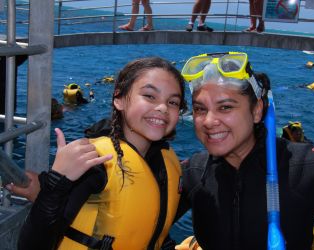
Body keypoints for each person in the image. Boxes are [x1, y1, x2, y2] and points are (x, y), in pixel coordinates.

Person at [176, 51, 314, 249]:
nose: (209, 121)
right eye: (200, 109)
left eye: (226, 107)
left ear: (257, 111)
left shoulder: (306, 167)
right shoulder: (194, 172)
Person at [16, 57, 187, 250]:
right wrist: (57, 182)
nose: (163, 107)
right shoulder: (95, 162)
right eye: (149, 96)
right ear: (119, 99)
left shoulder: (165, 161)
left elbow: (155, 230)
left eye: (173, 102)